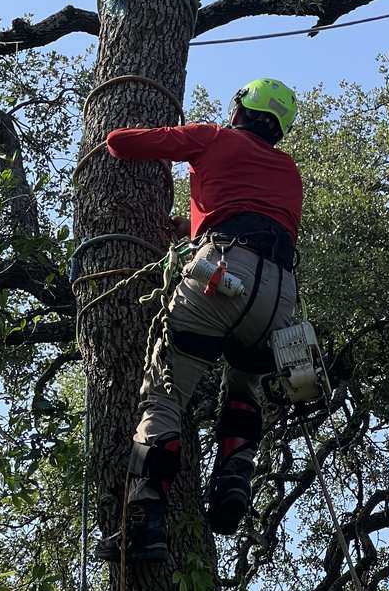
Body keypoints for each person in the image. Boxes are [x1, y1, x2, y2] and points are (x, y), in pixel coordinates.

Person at [96, 78, 303, 562]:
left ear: (240, 108)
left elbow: (123, 144)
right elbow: (246, 209)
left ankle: (145, 523)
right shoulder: (289, 172)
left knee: (165, 395)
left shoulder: (216, 137)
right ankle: (235, 474)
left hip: (223, 270)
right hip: (278, 294)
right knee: (243, 385)